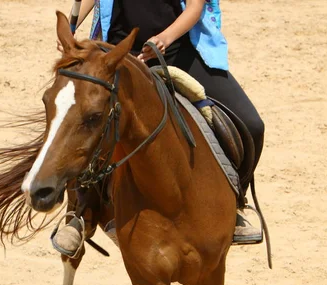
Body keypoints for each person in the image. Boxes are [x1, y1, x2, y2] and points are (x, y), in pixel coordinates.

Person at [53, 0, 265, 255]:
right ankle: (82, 210)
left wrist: (164, 39)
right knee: (85, 118)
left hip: (179, 49)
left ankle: (236, 206)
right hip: (118, 52)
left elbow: (195, 9)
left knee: (253, 125)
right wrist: (73, 25)